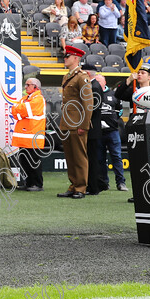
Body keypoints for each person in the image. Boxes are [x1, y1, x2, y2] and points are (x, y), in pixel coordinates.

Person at [58, 45, 93, 199]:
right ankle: (73, 185)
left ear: (76, 58)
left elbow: (88, 103)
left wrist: (84, 125)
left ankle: (81, 187)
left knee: (79, 157)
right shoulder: (67, 76)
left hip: (77, 123)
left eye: (68, 56)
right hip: (67, 122)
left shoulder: (82, 77)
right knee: (70, 157)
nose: (65, 58)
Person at [11, 78, 45, 191]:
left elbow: (23, 109)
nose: (25, 87)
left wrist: (20, 111)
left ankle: (37, 184)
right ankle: (29, 183)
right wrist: (20, 111)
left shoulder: (39, 99)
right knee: (25, 162)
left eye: (28, 85)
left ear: (35, 86)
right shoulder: (26, 99)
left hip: (34, 136)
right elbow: (14, 110)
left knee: (34, 162)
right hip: (24, 137)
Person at [81, 64, 103, 195]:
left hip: (92, 128)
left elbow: (92, 109)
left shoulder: (93, 87)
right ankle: (93, 185)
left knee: (92, 158)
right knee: (91, 157)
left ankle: (93, 186)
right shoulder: (94, 86)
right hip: (93, 128)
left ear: (88, 74)